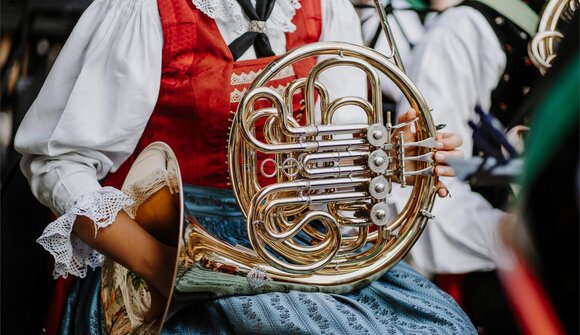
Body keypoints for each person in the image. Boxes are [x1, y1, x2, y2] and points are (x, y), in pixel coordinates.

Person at [14, 0, 474, 333]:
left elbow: (339, 156)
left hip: (297, 241)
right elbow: (57, 161)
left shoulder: (326, 9)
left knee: (441, 324)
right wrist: (162, 266)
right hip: (161, 246)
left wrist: (392, 156)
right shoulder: (144, 9)